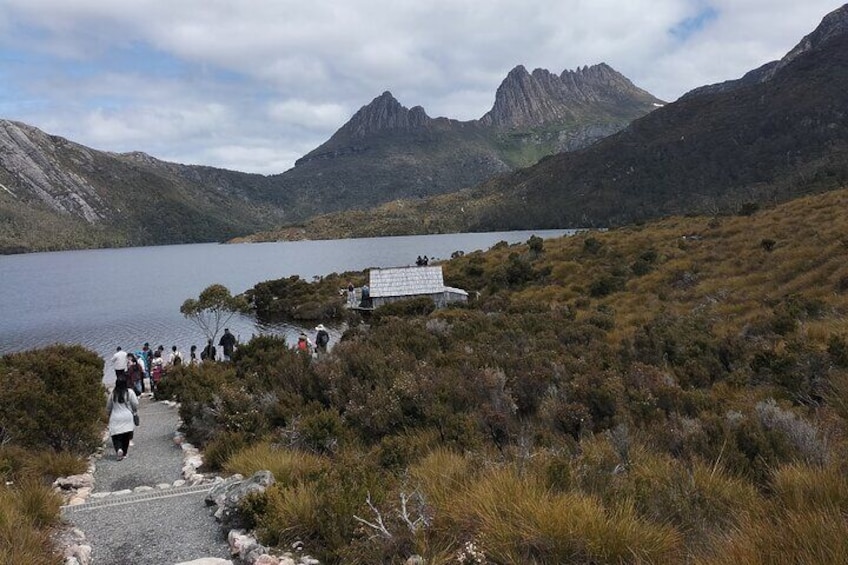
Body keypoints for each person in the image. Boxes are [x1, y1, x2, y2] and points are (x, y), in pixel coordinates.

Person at [107, 376, 138, 461]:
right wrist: (134, 411)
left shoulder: (113, 394)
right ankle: (124, 452)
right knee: (126, 436)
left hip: (115, 416)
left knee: (116, 436)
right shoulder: (129, 392)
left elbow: (108, 406)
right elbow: (135, 403)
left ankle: (118, 449)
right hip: (127, 416)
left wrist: (108, 415)